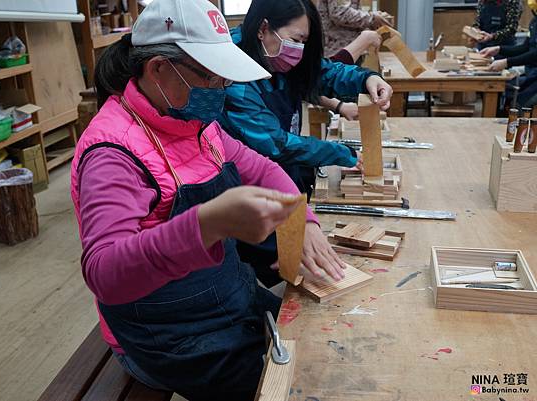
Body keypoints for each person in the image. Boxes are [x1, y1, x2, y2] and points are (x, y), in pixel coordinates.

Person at [70, 0, 348, 400]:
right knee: (303, 385)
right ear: (159, 69)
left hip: (224, 300)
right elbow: (105, 273)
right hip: (165, 336)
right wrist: (206, 225)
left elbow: (263, 168)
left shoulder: (194, 123)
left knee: (318, 333)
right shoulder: (113, 153)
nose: (222, 90)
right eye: (212, 78)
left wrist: (300, 220)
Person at [220, 0, 392, 198]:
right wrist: (341, 153)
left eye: (304, 42)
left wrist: (366, 78)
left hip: (284, 174)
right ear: (263, 28)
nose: (299, 49)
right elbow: (276, 144)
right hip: (246, 192)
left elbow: (323, 72)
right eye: (295, 39)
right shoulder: (232, 75)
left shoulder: (276, 55)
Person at [481, 0, 537, 107]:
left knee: (521, 105)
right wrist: (499, 49)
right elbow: (525, 47)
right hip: (532, 72)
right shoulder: (534, 21)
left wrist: (507, 62)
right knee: (508, 89)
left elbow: (535, 54)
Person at [317, 0, 393, 59]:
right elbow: (339, 13)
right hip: (338, 53)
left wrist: (373, 20)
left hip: (348, 50)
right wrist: (371, 18)